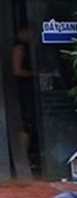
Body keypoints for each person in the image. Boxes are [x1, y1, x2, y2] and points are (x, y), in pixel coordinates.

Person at [11, 26, 36, 177]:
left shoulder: (29, 49)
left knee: (31, 124)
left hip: (30, 90)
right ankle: (23, 157)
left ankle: (28, 156)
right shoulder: (19, 48)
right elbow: (17, 71)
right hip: (23, 90)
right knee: (26, 124)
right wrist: (36, 73)